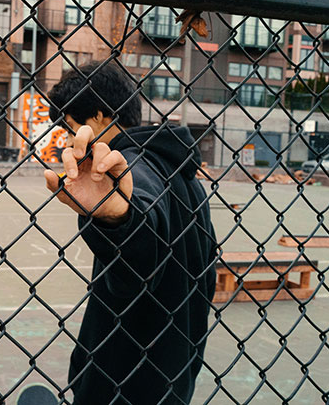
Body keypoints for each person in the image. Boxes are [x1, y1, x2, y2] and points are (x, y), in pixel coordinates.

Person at [43, 61, 216, 404]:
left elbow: (142, 217)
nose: (69, 137)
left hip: (120, 379)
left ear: (100, 116)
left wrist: (117, 219)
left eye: (71, 127)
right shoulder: (185, 176)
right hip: (175, 371)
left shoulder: (133, 166)